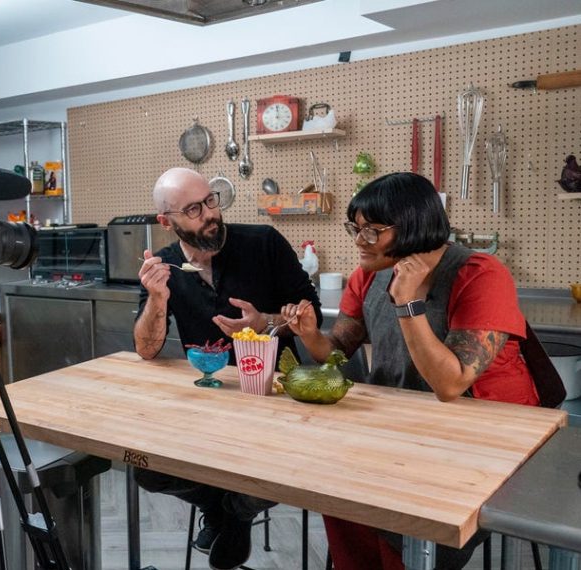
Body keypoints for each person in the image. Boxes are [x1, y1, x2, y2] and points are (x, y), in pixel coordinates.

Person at [279, 172, 538, 570]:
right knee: (336, 488)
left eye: (372, 231)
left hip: (489, 439)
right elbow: (337, 352)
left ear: (413, 227)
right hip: (406, 427)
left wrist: (407, 302)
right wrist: (311, 335)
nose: (359, 241)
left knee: (404, 517)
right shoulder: (368, 274)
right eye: (356, 228)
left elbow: (451, 384)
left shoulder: (481, 275)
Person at [133, 167, 322, 570]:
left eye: (211, 200)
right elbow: (147, 350)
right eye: (193, 209)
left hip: (273, 399)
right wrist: (156, 299)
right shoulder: (164, 267)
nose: (210, 214)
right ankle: (221, 506)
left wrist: (265, 323)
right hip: (206, 402)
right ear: (166, 222)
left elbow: (312, 313)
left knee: (283, 472)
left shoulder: (263, 242)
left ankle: (234, 514)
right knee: (147, 471)